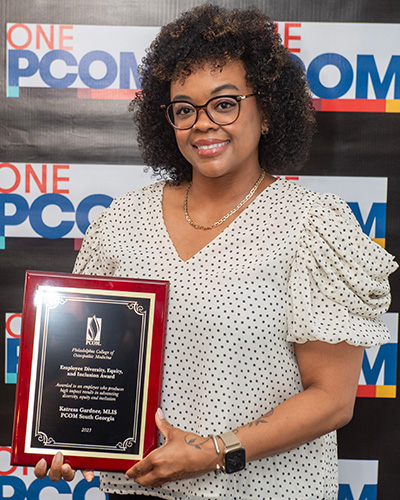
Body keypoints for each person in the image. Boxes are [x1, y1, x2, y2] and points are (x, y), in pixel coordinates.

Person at [34, 4, 398, 499]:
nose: (203, 124)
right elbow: (85, 366)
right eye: (184, 109)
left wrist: (212, 451)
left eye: (224, 103)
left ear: (267, 109)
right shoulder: (121, 220)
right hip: (138, 490)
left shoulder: (312, 224)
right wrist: (64, 439)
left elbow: (332, 401)